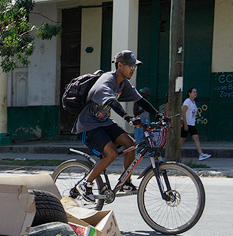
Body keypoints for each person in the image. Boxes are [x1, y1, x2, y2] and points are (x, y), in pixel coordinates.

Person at [73, 50, 161, 199]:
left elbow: (140, 100)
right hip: (89, 124)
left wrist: (160, 115)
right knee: (112, 153)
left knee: (131, 144)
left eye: (135, 66)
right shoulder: (107, 80)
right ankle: (85, 183)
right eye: (131, 66)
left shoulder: (123, 83)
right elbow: (111, 101)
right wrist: (128, 117)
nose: (133, 69)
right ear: (120, 65)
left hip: (103, 121)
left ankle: (125, 182)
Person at [181, 88, 210, 161]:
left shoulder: (193, 102)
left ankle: (201, 154)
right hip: (186, 123)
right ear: (189, 93)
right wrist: (185, 124)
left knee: (196, 138)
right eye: (193, 92)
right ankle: (174, 153)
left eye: (196, 92)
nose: (195, 93)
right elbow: (183, 112)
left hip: (192, 124)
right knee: (182, 139)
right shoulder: (187, 101)